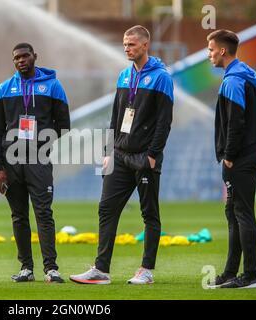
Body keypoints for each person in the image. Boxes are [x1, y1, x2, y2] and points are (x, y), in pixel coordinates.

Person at [69, 25, 173, 285]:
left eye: (132, 44)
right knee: (106, 208)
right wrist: (109, 151)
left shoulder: (161, 77)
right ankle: (101, 270)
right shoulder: (123, 76)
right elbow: (115, 117)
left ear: (145, 45)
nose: (127, 48)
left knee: (149, 214)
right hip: (120, 155)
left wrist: (153, 154)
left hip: (144, 157)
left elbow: (164, 121)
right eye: (125, 44)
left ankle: (146, 270)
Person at [0, 43, 70, 283]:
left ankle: (51, 269)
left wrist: (43, 144)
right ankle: (26, 268)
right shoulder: (3, 89)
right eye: (16, 58)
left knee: (44, 213)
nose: (20, 61)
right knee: (19, 216)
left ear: (35, 56)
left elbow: (64, 125)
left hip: (38, 159)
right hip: (11, 162)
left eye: (25, 56)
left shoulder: (53, 86)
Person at [207, 29, 256, 289]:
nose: (209, 54)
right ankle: (231, 272)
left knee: (242, 213)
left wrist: (229, 156)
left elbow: (235, 123)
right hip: (251, 153)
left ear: (222, 50)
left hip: (240, 158)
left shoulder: (232, 81)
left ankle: (251, 275)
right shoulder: (245, 75)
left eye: (210, 50)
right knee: (234, 213)